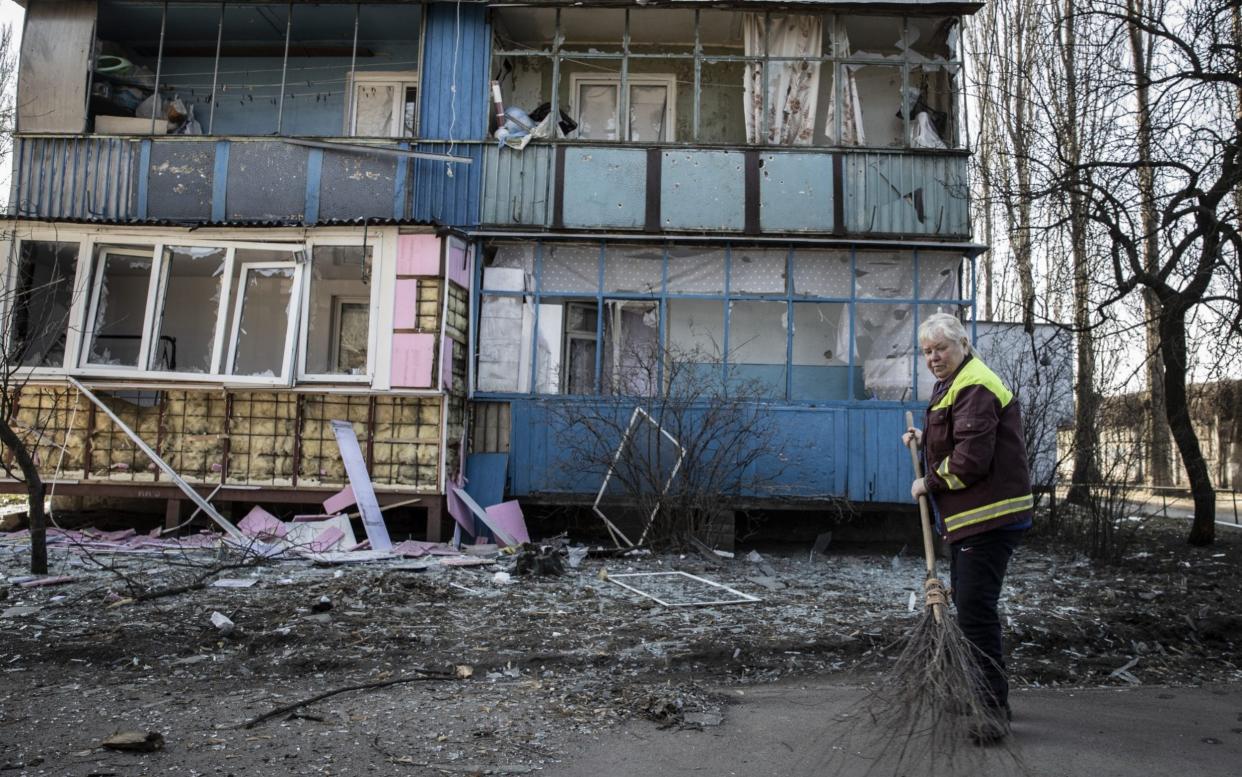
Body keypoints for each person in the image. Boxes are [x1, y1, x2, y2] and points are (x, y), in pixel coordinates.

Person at [902, 313, 1033, 742]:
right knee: (971, 609)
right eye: (926, 351)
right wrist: (926, 439)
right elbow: (959, 437)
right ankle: (978, 690)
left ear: (962, 342)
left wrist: (929, 480)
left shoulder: (975, 383)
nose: (933, 358)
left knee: (976, 613)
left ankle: (992, 710)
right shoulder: (956, 383)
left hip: (988, 518)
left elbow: (971, 460)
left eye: (940, 348)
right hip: (970, 521)